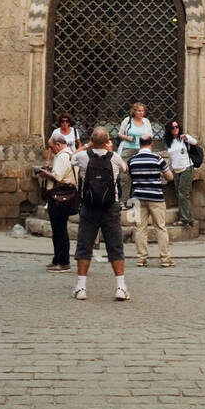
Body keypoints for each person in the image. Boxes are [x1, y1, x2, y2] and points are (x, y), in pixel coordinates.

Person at [70, 127, 130, 301]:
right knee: (115, 246)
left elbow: (70, 158)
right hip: (110, 207)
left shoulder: (82, 157)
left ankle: (81, 287)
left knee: (84, 245)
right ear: (107, 141)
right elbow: (125, 169)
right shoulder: (115, 158)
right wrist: (110, 150)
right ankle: (120, 286)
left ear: (91, 140)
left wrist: (87, 146)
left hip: (88, 206)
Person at [129, 133, 174, 268]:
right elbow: (170, 177)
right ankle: (165, 258)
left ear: (139, 144)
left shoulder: (132, 160)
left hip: (138, 197)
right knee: (160, 227)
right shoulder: (157, 159)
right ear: (151, 143)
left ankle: (141, 258)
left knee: (140, 228)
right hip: (156, 197)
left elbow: (131, 178)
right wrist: (159, 175)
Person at [35, 133, 78, 272]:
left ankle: (63, 261)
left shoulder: (62, 157)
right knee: (59, 229)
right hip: (64, 195)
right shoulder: (70, 154)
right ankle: (57, 258)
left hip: (59, 196)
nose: (51, 150)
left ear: (58, 145)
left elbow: (58, 176)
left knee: (59, 230)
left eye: (52, 147)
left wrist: (45, 173)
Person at [116, 101, 153, 201]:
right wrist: (127, 138)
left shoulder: (146, 121)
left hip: (141, 150)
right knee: (124, 174)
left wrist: (145, 138)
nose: (141, 113)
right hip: (127, 149)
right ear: (134, 112)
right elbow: (119, 134)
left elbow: (150, 135)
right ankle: (122, 200)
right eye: (139, 111)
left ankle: (136, 199)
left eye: (142, 111)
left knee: (139, 175)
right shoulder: (127, 120)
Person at [164, 119, 197, 227]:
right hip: (176, 170)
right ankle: (188, 218)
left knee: (183, 194)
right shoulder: (169, 142)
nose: (175, 129)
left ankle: (185, 219)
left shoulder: (183, 138)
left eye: (177, 127)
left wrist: (187, 137)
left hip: (186, 168)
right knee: (180, 195)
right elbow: (171, 157)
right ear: (169, 129)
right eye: (173, 127)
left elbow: (195, 142)